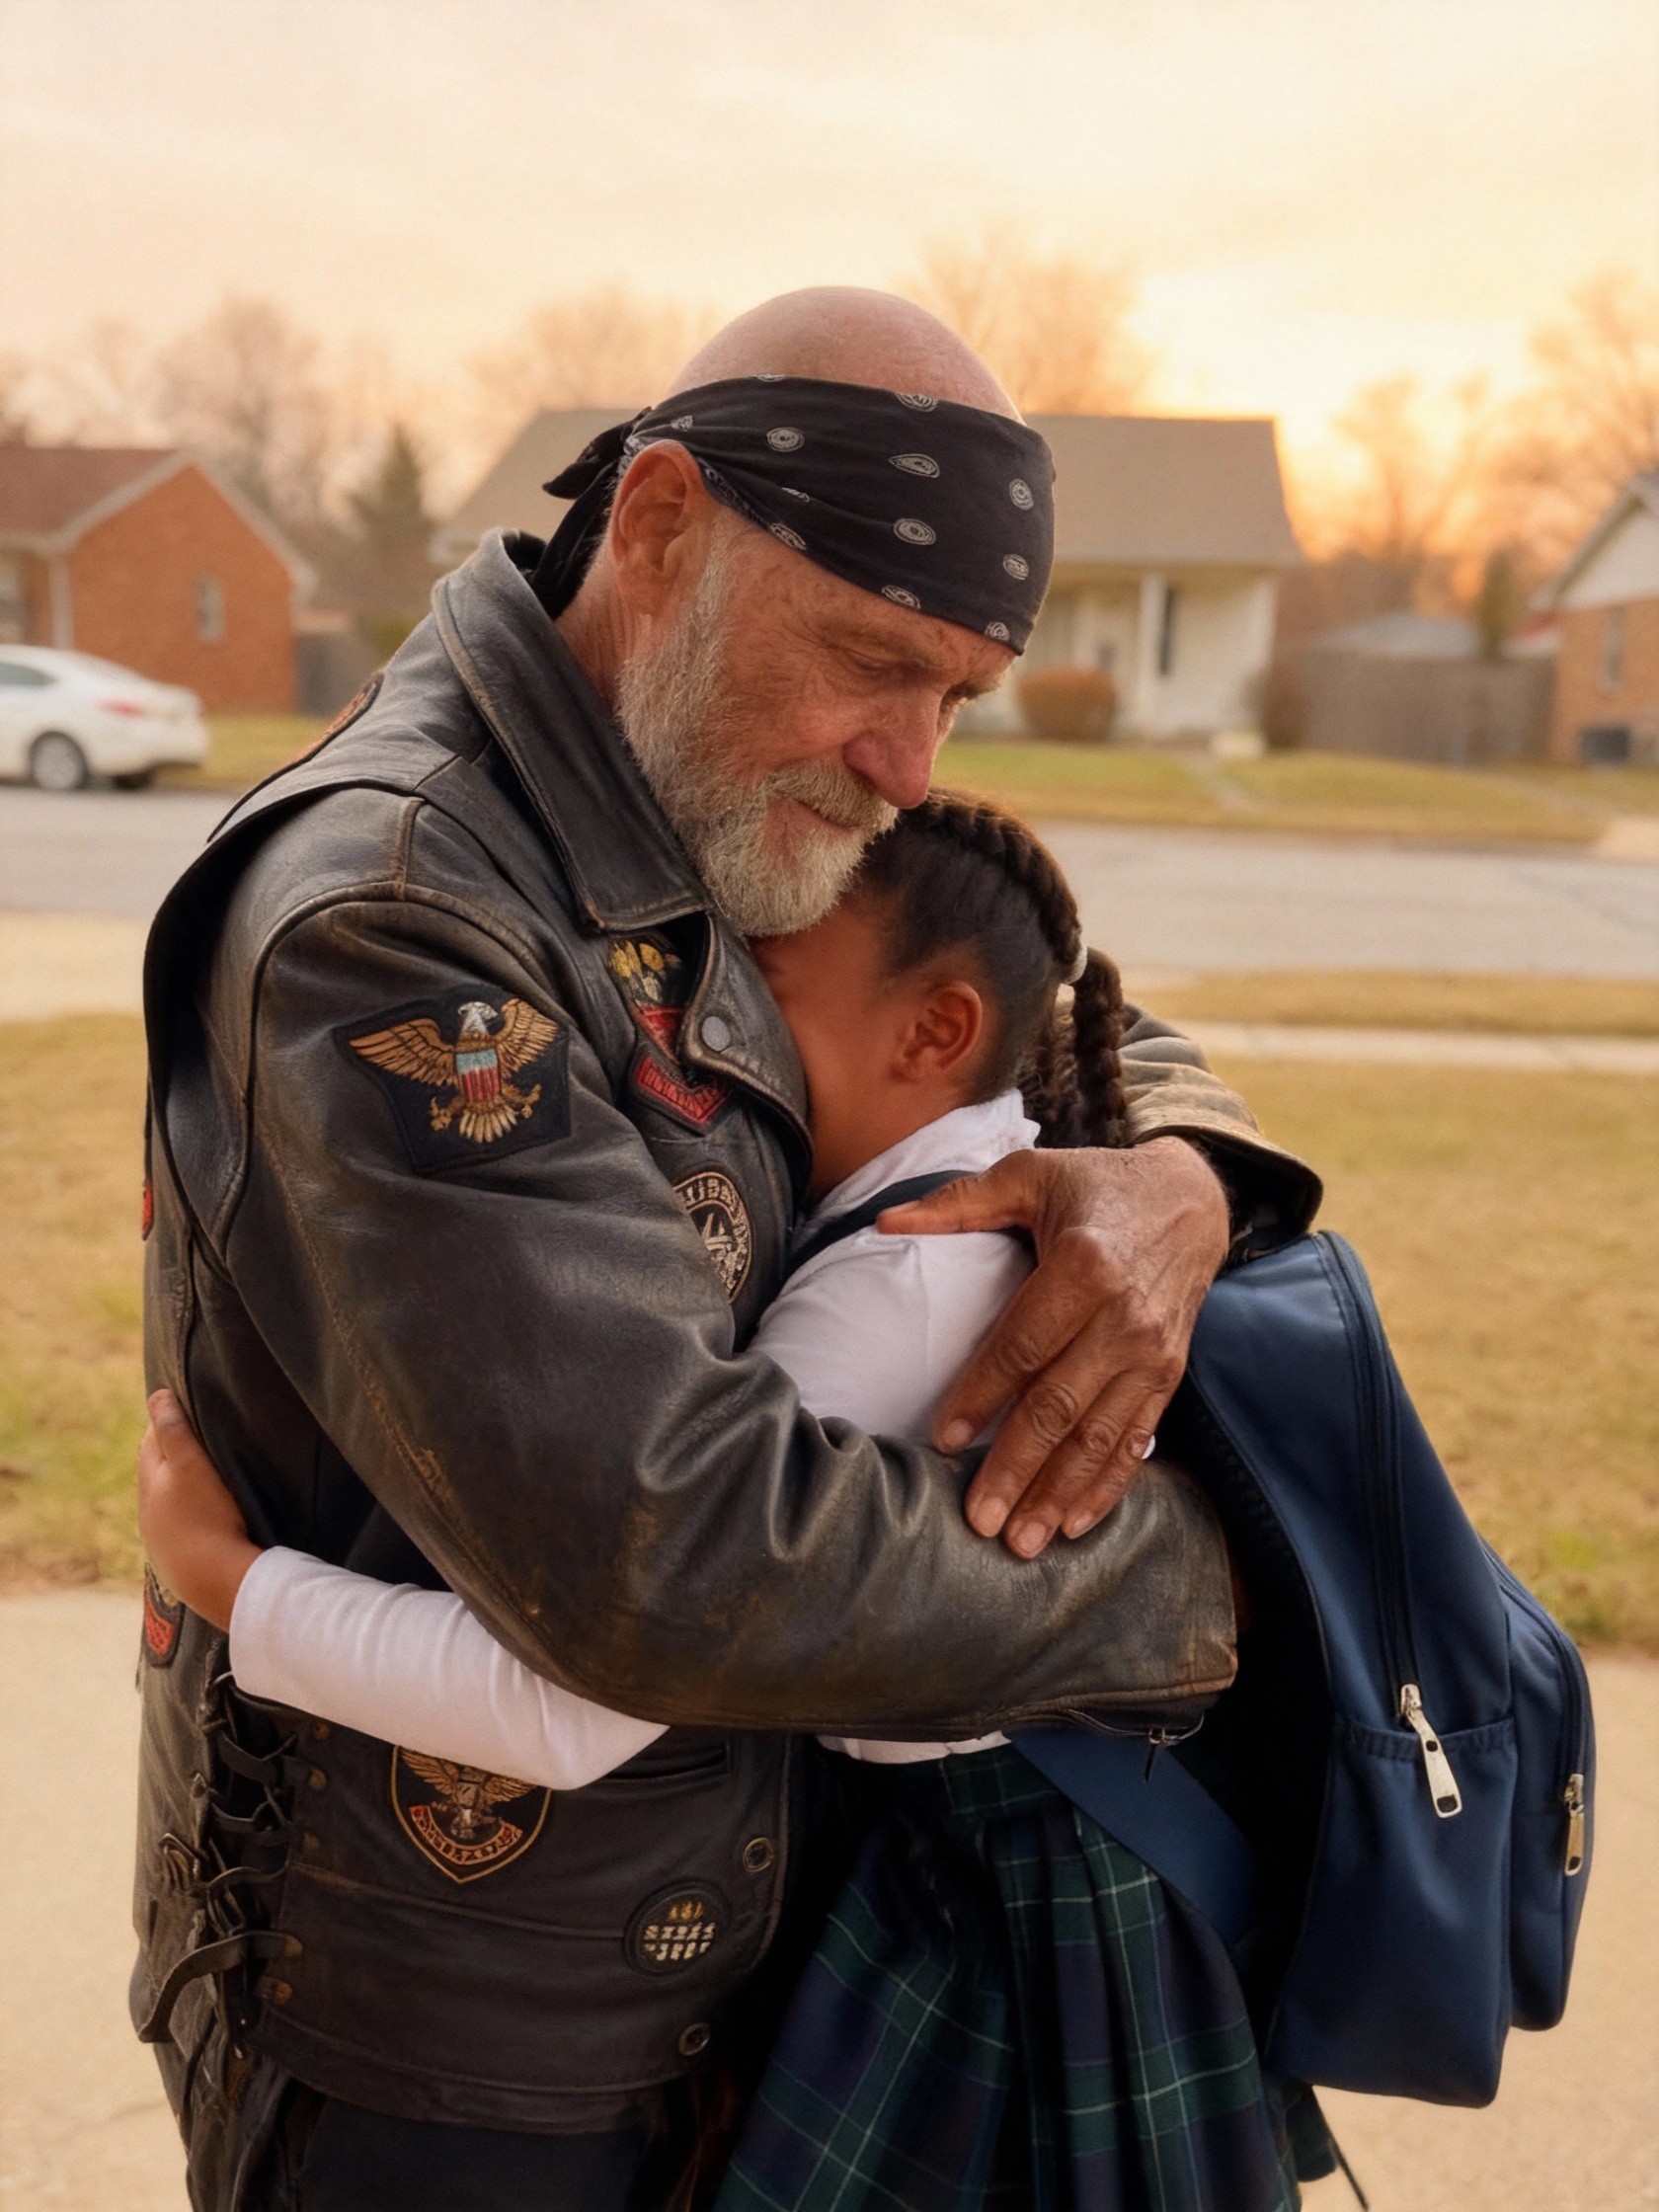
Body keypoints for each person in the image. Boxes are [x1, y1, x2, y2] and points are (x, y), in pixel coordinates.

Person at [134, 286, 1318, 2210]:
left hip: (761, 1976)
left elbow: (1022, 985)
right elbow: (671, 1565)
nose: (913, 762)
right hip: (458, 2046)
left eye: (960, 694)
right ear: (662, 524)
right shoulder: (400, 919)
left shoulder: (728, 772)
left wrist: (1178, 1170)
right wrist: (1202, 1580)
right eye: (876, 661)